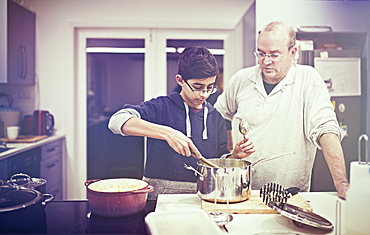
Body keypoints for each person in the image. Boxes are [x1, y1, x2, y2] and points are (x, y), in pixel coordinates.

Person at [214, 21, 349, 199]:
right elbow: (219, 115)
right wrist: (231, 153)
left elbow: (326, 129)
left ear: (293, 52)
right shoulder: (241, 79)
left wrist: (341, 183)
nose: (266, 61)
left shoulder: (308, 79)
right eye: (260, 53)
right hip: (241, 191)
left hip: (290, 193)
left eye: (274, 55)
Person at [108, 45, 255, 198]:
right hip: (160, 196)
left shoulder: (216, 116)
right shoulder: (161, 106)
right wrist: (167, 133)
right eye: (197, 87)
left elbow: (219, 160)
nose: (204, 94)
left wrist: (234, 157)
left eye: (210, 88)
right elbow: (116, 121)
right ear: (180, 80)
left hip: (204, 195)